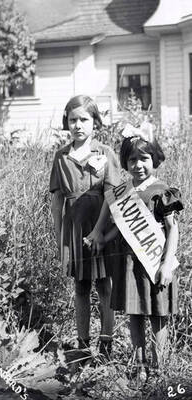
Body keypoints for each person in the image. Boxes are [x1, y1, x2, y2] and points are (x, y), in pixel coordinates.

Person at [87, 122, 183, 379]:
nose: (138, 165)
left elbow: (173, 229)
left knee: (157, 314)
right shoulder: (123, 193)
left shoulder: (162, 191)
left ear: (155, 159)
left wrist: (165, 265)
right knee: (135, 313)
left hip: (154, 263)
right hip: (129, 265)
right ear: (125, 163)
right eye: (132, 160)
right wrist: (101, 239)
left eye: (144, 158)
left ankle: (158, 365)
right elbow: (119, 227)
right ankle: (139, 364)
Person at [49, 95, 120, 359]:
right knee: (80, 286)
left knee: (104, 285)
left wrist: (100, 230)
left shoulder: (105, 153)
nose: (78, 125)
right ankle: (83, 344)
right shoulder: (61, 156)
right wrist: (59, 240)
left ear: (95, 122)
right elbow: (57, 204)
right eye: (72, 119)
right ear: (66, 122)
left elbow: (113, 195)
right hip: (74, 229)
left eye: (84, 119)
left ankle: (106, 342)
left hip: (99, 226)